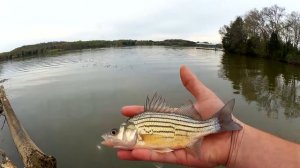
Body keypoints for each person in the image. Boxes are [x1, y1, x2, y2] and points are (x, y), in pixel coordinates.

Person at [117, 65, 300, 168]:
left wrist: (236, 145)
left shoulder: (138, 129)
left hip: (190, 130)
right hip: (187, 133)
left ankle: (219, 123)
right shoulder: (138, 128)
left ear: (131, 130)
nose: (113, 135)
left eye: (115, 132)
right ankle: (219, 124)